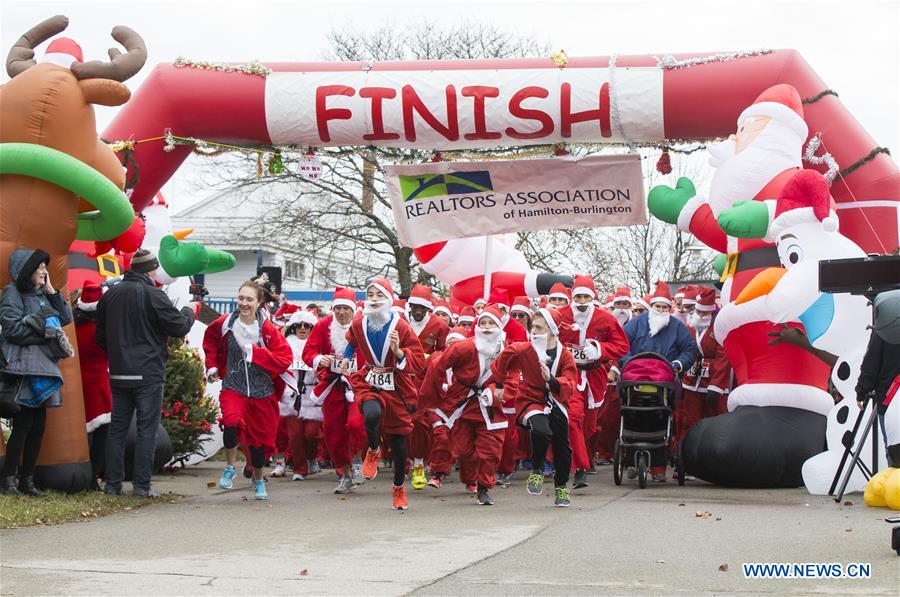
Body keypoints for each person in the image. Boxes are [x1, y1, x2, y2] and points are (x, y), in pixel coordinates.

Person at [96, 249, 196, 498]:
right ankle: (141, 486)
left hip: (118, 372)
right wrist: (189, 309)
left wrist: (118, 356)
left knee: (117, 430)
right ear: (151, 270)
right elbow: (179, 327)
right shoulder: (153, 295)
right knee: (146, 430)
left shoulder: (111, 295)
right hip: (148, 373)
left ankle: (113, 484)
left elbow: (101, 337)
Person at [204, 280, 293, 500]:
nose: (244, 303)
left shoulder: (267, 330)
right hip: (234, 386)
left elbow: (285, 359)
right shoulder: (225, 323)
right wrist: (212, 366)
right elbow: (211, 340)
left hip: (262, 391)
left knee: (258, 442)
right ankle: (230, 467)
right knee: (231, 422)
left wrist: (256, 353)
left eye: (249, 299)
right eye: (241, 298)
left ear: (258, 302)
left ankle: (259, 480)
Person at [344, 279, 425, 510]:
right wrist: (347, 358)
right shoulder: (359, 322)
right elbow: (351, 341)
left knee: (399, 444)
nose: (374, 299)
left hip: (396, 385)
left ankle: (398, 487)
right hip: (370, 380)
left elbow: (419, 360)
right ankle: (374, 449)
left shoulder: (401, 326)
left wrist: (399, 352)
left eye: (379, 295)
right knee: (371, 414)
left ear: (388, 300)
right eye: (370, 294)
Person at [0, 248, 74, 496]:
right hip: (23, 369)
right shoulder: (12, 292)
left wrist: (52, 292)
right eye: (40, 267)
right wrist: (46, 335)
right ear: (27, 270)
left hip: (44, 368)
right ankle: (8, 481)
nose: (44, 271)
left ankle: (27, 481)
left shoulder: (44, 293)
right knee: (24, 423)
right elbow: (11, 330)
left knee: (38, 425)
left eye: (45, 267)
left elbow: (65, 318)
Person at [492, 307, 578, 507]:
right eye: (533, 327)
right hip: (531, 399)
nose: (534, 332)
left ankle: (561, 488)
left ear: (552, 331)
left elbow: (571, 382)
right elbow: (502, 360)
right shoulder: (524, 349)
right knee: (541, 430)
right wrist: (499, 385)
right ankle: (537, 469)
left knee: (562, 447)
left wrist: (551, 380)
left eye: (539, 328)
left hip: (557, 401)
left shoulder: (564, 355)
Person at [421, 308, 507, 505]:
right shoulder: (464, 347)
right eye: (483, 323)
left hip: (489, 409)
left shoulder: (506, 351)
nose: (487, 328)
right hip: (462, 407)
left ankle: (484, 488)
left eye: (491, 323)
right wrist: (434, 397)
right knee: (464, 450)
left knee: (490, 451)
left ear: (499, 327)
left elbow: (511, 379)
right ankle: (470, 476)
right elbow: (437, 366)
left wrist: (495, 392)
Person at [614, 281, 698, 482]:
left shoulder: (677, 327)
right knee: (631, 413)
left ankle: (659, 466)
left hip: (664, 380)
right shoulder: (636, 324)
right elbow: (621, 345)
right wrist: (628, 363)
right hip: (635, 379)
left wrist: (678, 364)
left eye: (664, 307)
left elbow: (690, 349)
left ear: (670, 308)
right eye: (657, 306)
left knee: (663, 414)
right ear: (651, 306)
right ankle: (631, 458)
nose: (660, 310)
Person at [558, 275, 630, 489]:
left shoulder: (605, 318)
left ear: (592, 298)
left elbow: (622, 346)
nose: (581, 302)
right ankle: (581, 468)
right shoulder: (561, 315)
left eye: (585, 297)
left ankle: (577, 457)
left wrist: (600, 350)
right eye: (578, 297)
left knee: (589, 426)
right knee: (573, 419)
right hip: (570, 375)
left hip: (594, 377)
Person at [302, 287, 367, 494]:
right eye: (337, 308)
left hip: (358, 385)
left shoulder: (363, 325)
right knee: (333, 432)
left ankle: (357, 461)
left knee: (356, 424)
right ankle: (345, 475)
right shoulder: (323, 326)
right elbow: (308, 352)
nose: (341, 312)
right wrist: (320, 359)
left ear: (353, 310)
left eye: (346, 308)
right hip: (332, 385)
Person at [406, 284, 449, 489]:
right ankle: (406, 460)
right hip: (403, 380)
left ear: (428, 308)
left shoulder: (439, 326)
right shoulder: (401, 322)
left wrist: (429, 358)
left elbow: (445, 353)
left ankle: (419, 463)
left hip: (426, 382)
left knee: (422, 424)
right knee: (403, 425)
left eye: (422, 308)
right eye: (415, 307)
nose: (418, 311)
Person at [678, 287, 731, 445]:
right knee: (690, 418)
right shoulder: (690, 326)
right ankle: (687, 450)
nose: (700, 316)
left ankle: (712, 451)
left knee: (713, 419)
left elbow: (723, 357)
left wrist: (716, 385)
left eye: (704, 313)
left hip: (712, 379)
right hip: (691, 379)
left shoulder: (719, 328)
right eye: (699, 312)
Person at [73, 280, 112, 487]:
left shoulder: (73, 327)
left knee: (82, 429)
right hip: (99, 383)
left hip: (77, 382)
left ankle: (81, 472)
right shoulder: (103, 329)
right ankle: (94, 474)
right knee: (101, 431)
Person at [421, 326, 468, 488]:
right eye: (450, 344)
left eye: (457, 344)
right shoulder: (436, 358)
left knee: (465, 446)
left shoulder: (470, 363)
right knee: (442, 438)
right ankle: (438, 473)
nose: (453, 348)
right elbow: (422, 375)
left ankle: (471, 479)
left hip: (462, 408)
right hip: (439, 408)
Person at [279, 309, 321, 480]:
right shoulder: (285, 345)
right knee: (295, 435)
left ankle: (312, 457)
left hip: (312, 394)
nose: (302, 328)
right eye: (298, 325)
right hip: (291, 394)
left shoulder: (318, 346)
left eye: (307, 325)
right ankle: (299, 469)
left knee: (311, 433)